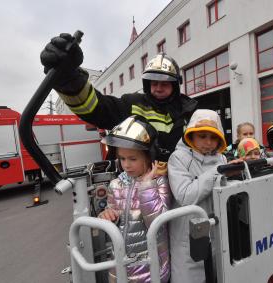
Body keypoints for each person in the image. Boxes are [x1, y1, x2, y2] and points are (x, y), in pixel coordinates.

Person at [40, 33, 197, 168]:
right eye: (154, 83)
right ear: (147, 84)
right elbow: (95, 109)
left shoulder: (190, 111)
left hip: (182, 185)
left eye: (164, 83)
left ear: (175, 85)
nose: (158, 88)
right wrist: (69, 81)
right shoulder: (132, 104)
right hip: (139, 186)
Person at [98, 116, 171, 282]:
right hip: (120, 265)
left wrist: (146, 186)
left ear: (148, 157)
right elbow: (113, 215)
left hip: (150, 267)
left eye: (133, 159)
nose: (126, 165)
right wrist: (107, 215)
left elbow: (158, 223)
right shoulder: (116, 184)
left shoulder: (159, 182)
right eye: (122, 159)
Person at [167, 109, 228, 283]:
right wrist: (218, 172)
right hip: (187, 235)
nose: (208, 143)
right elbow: (185, 196)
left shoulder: (222, 159)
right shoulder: (178, 158)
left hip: (216, 231)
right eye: (202, 136)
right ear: (191, 136)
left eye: (213, 137)